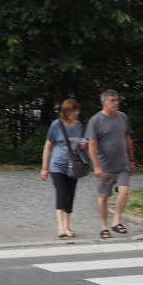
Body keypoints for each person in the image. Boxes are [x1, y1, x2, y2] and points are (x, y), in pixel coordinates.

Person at [86, 88, 136, 239]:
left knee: (124, 190)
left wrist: (132, 159)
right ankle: (104, 226)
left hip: (122, 164)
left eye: (117, 100)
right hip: (105, 166)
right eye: (112, 100)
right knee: (103, 196)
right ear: (104, 102)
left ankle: (116, 221)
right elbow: (92, 145)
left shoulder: (122, 117)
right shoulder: (96, 121)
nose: (116, 103)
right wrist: (96, 166)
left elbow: (128, 140)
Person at [40, 98, 87, 238]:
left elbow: (79, 141)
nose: (77, 113)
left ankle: (67, 226)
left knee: (70, 194)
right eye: (74, 110)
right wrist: (44, 167)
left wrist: (84, 143)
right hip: (57, 166)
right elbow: (48, 146)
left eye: (78, 110)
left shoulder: (78, 125)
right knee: (62, 193)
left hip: (73, 166)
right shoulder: (56, 125)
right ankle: (60, 227)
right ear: (67, 111)